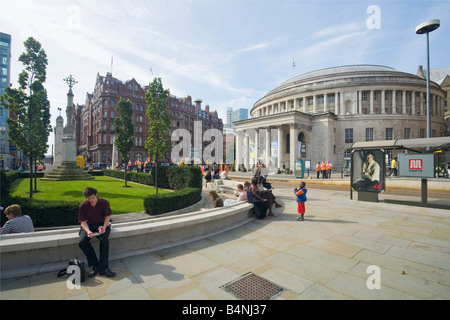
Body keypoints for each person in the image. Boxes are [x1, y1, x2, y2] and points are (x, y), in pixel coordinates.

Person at [78, 187, 116, 278]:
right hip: (88, 225)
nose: (91, 200)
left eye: (92, 197)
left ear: (96, 195)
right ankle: (95, 265)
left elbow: (107, 217)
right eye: (88, 198)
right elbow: (83, 222)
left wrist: (104, 227)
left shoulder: (104, 202)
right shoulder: (83, 206)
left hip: (102, 224)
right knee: (82, 243)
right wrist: (88, 231)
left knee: (104, 240)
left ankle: (104, 268)